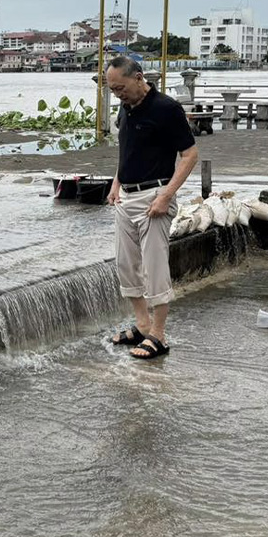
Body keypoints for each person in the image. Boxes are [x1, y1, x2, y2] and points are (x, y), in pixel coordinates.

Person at [103, 57, 199, 360]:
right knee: (125, 264)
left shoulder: (166, 108)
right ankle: (142, 325)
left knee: (155, 266)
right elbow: (127, 150)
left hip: (155, 196)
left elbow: (190, 155)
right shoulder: (125, 108)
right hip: (126, 197)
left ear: (138, 78)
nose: (118, 95)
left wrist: (167, 196)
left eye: (121, 88)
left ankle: (158, 334)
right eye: (113, 90)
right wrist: (116, 183)